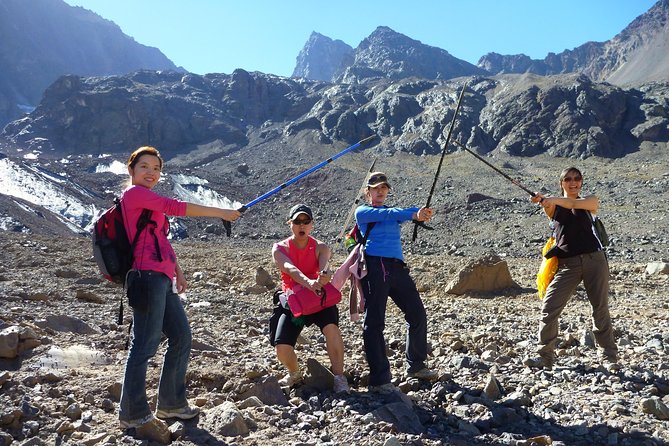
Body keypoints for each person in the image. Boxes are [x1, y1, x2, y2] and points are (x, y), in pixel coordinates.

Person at [118, 146, 241, 443]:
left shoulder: (149, 203)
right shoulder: (134, 195)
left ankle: (171, 403)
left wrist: (178, 272)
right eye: (144, 166)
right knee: (144, 345)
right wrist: (221, 212)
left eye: (156, 168)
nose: (151, 172)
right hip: (145, 276)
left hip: (160, 276)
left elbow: (159, 239)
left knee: (182, 336)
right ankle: (132, 411)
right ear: (131, 170)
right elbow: (175, 207)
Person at [526, 167, 618, 371]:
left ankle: (609, 357)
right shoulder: (552, 207)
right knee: (549, 307)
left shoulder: (590, 202)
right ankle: (545, 357)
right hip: (568, 264)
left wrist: (547, 198)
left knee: (600, 308)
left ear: (582, 182)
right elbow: (555, 206)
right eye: (568, 179)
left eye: (577, 178)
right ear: (562, 183)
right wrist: (544, 201)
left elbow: (573, 203)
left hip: (596, 260)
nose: (573, 182)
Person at [354, 172, 438, 393]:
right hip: (375, 266)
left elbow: (404, 212)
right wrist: (413, 214)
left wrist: (418, 214)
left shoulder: (393, 213)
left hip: (397, 267)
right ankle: (379, 378)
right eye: (375, 188)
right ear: (368, 191)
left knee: (417, 314)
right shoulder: (363, 212)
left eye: (384, 188)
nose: (380, 191)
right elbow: (392, 214)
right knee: (374, 322)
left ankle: (416, 366)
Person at [271, 204, 349, 394]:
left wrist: (324, 275)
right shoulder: (280, 248)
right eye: (297, 221)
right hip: (294, 301)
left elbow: (324, 265)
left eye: (306, 222)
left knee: (332, 328)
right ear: (290, 224)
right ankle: (294, 373)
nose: (301, 225)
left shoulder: (320, 247)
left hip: (318, 297)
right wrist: (309, 282)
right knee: (282, 346)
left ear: (312, 224)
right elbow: (290, 269)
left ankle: (339, 377)